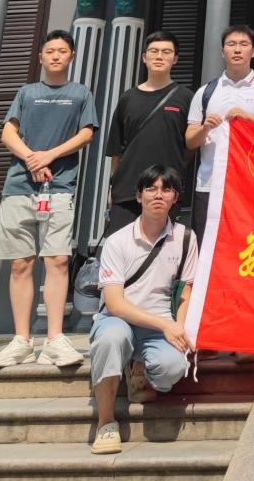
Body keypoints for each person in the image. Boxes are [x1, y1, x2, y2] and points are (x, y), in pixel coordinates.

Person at [0, 29, 98, 371]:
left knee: (58, 260)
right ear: (40, 57)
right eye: (50, 51)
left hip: (59, 187)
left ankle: (54, 339)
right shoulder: (26, 92)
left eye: (62, 51)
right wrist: (33, 159)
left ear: (72, 56)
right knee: (20, 263)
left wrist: (49, 155)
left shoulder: (80, 93)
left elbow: (86, 133)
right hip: (19, 187)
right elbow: (8, 132)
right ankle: (21, 340)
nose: (55, 56)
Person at [88, 165, 198, 455]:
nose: (158, 195)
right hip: (117, 319)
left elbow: (185, 290)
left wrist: (180, 327)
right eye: (151, 189)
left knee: (173, 367)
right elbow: (114, 303)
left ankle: (141, 368)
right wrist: (165, 326)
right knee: (111, 339)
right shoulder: (117, 241)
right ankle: (106, 422)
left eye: (166, 189)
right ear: (139, 196)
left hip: (160, 324)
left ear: (175, 198)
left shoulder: (186, 238)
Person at [186, 24, 254, 245]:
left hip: (253, 184)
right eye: (231, 44)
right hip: (210, 184)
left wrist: (248, 118)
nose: (237, 49)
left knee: (249, 247)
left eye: (243, 44)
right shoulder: (206, 92)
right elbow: (190, 141)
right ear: (223, 52)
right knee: (207, 246)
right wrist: (205, 128)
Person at [105, 31, 192, 235]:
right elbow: (116, 150)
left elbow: (191, 146)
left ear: (175, 59)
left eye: (166, 52)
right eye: (153, 51)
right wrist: (112, 188)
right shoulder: (128, 98)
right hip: (127, 191)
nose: (159, 56)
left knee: (162, 249)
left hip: (167, 191)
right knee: (123, 247)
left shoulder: (186, 97)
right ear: (144, 57)